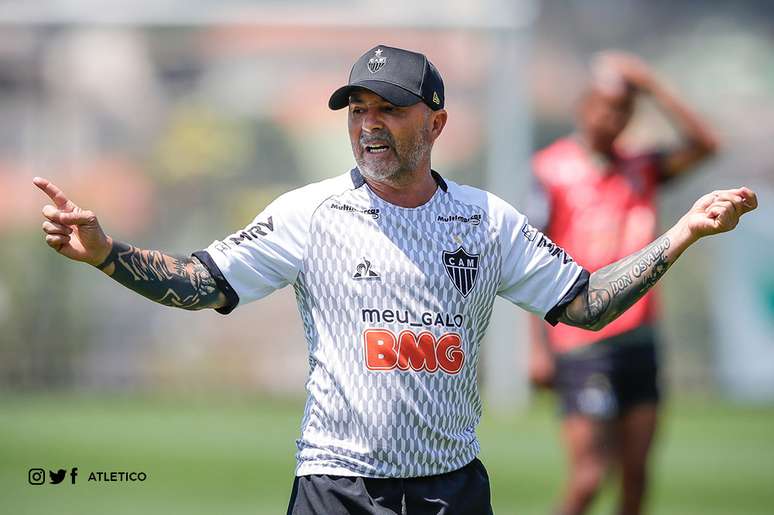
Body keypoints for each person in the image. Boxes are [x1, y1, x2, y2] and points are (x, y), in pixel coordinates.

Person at [35, 45, 754, 515]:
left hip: (452, 489)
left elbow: (587, 302)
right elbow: (199, 281)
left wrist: (681, 231)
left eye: (389, 108)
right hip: (335, 488)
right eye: (358, 110)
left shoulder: (486, 219)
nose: (369, 125)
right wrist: (107, 252)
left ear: (435, 122)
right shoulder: (310, 212)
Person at [527, 51, 721, 515]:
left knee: (636, 481)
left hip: (641, 336)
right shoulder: (550, 170)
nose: (611, 118)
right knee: (590, 477)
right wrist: (535, 347)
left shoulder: (644, 166)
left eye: (623, 109)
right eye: (603, 106)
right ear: (583, 107)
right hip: (581, 339)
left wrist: (652, 85)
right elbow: (530, 261)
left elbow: (706, 143)